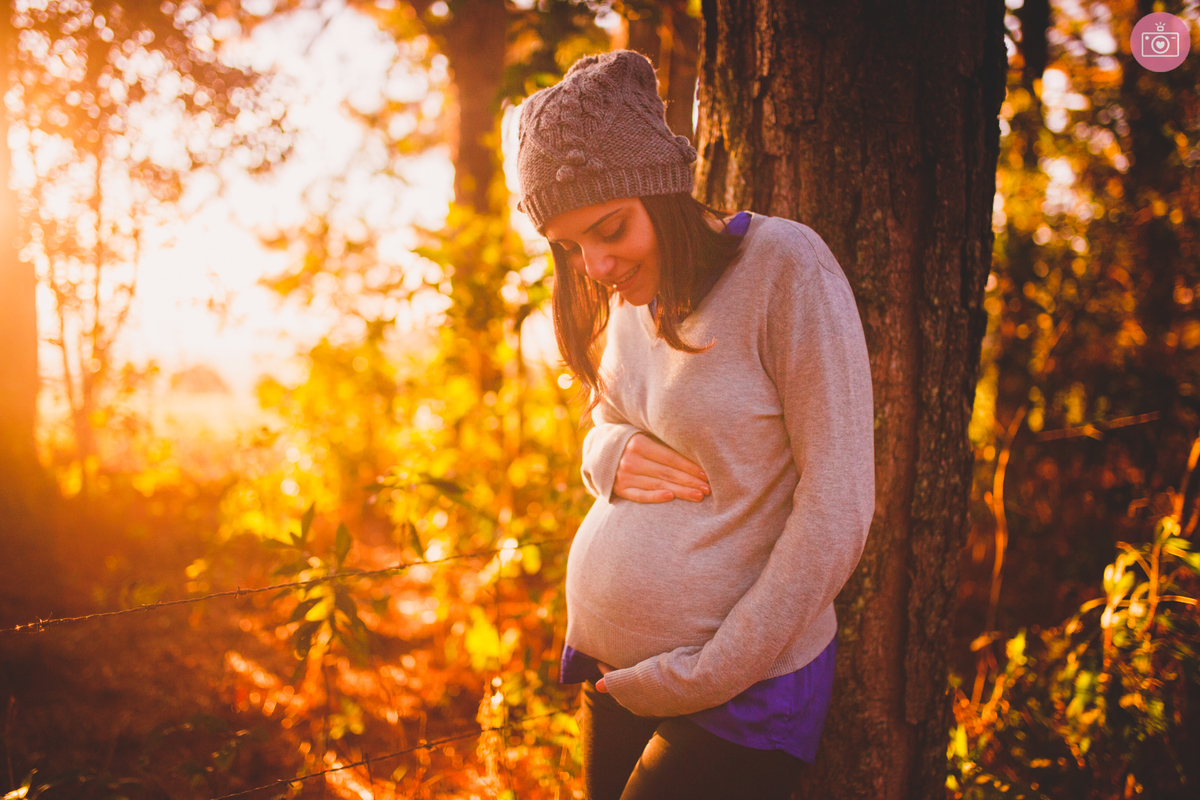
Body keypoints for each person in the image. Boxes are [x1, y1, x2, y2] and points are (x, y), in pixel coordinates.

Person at [514, 50, 875, 800]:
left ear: (662, 188)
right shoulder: (630, 297)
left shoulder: (786, 267)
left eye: (610, 228)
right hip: (627, 679)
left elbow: (838, 507)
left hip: (740, 687)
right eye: (572, 246)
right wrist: (606, 454)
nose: (597, 265)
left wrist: (705, 672)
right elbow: (609, 415)